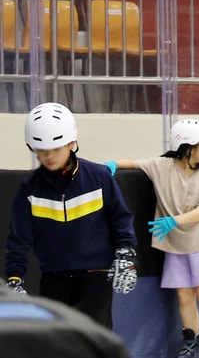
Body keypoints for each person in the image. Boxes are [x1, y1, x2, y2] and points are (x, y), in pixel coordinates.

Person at [105, 119, 199, 358]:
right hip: (175, 245)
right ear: (187, 147)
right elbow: (133, 163)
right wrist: (111, 165)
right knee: (184, 296)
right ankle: (192, 342)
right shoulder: (161, 166)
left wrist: (174, 220)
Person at [5, 102, 137, 327]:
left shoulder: (99, 177)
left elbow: (120, 218)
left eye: (55, 149)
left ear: (72, 143)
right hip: (54, 277)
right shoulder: (30, 188)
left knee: (90, 336)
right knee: (59, 341)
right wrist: (14, 279)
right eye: (42, 150)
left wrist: (126, 254)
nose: (49, 156)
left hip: (96, 273)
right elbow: (19, 239)